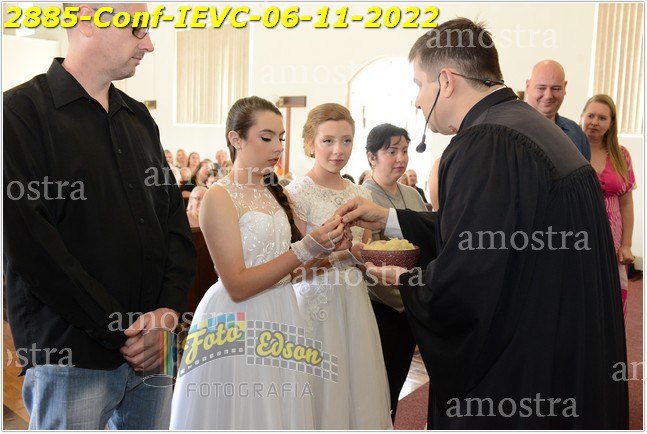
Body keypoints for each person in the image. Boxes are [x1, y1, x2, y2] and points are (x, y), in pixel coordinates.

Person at [335, 18, 628, 429]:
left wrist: (407, 282)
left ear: (446, 81)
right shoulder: (527, 126)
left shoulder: (486, 142)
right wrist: (390, 218)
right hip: (561, 347)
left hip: (518, 372)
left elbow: (468, 280)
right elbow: (489, 231)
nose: (417, 101)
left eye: (419, 84)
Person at [3, 3, 197, 430]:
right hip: (71, 352)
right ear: (90, 19)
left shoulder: (138, 116)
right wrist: (121, 330)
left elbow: (173, 223)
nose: (149, 44)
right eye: (137, 29)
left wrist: (167, 314)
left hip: (157, 345)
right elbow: (31, 247)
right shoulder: (18, 113)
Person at [170, 97, 350, 430]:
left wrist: (331, 251)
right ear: (235, 139)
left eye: (281, 138)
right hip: (238, 318)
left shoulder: (275, 192)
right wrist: (305, 247)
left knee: (279, 411)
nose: (277, 147)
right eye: (266, 137)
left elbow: (289, 272)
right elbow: (237, 285)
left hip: (283, 312)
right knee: (244, 411)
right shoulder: (219, 196)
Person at [286, 103, 392, 430]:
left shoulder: (359, 193)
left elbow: (365, 254)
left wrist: (369, 257)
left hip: (354, 301)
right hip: (314, 302)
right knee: (319, 384)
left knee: (357, 381)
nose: (338, 150)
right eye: (328, 141)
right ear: (310, 143)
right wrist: (340, 253)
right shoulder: (297, 193)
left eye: (346, 141)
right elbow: (295, 265)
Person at [362, 123, 427, 420]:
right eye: (392, 152)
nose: (400, 158)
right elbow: (367, 260)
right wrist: (408, 296)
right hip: (382, 306)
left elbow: (425, 245)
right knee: (378, 388)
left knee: (397, 382)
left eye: (404, 150)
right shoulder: (364, 196)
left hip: (411, 301)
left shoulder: (412, 195)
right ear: (372, 157)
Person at [580, 94, 635, 318]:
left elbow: (626, 203)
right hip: (579, 233)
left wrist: (626, 245)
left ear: (611, 123)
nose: (595, 122)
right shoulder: (569, 150)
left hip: (613, 237)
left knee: (610, 296)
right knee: (581, 292)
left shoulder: (621, 155)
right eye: (591, 115)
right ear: (582, 117)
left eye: (602, 118)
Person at [526, 60, 591, 160]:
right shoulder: (509, 131)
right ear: (527, 86)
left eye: (555, 88)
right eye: (541, 88)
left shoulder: (577, 134)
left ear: (565, 87)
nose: (548, 96)